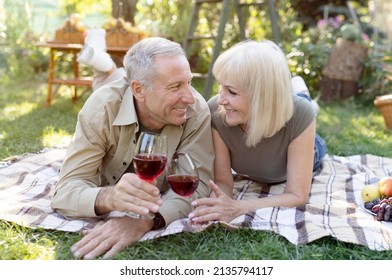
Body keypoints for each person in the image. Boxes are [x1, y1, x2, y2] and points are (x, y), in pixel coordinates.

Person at [51, 36, 215, 259]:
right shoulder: (102, 109)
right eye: (176, 86)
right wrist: (110, 197)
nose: (188, 97)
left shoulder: (196, 112)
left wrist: (145, 221)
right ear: (138, 90)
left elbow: (197, 187)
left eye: (189, 83)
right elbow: (65, 191)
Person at [188, 40, 327, 224]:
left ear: (260, 97)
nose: (221, 99)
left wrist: (239, 207)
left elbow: (297, 195)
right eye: (221, 87)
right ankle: (300, 92)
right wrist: (221, 202)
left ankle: (303, 95)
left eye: (231, 92)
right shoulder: (216, 112)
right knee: (300, 103)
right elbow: (224, 181)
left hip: (308, 146)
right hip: (274, 114)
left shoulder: (300, 115)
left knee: (305, 106)